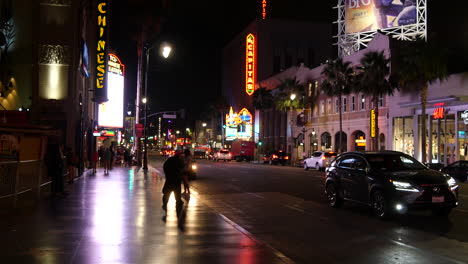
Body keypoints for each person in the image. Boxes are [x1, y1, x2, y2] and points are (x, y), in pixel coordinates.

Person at [162, 151, 185, 215]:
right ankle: (178, 202)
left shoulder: (169, 160)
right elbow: (182, 169)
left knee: (166, 193)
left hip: (169, 179)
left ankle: (165, 203)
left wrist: (167, 174)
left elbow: (165, 167)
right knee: (177, 193)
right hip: (176, 180)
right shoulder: (179, 161)